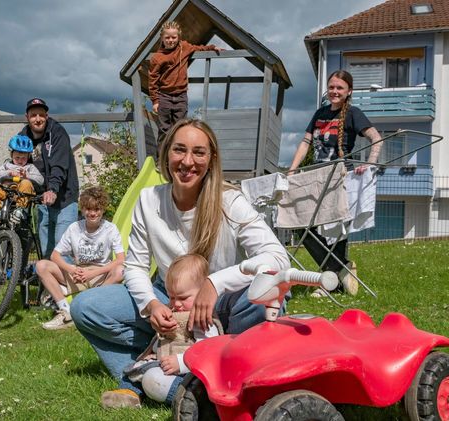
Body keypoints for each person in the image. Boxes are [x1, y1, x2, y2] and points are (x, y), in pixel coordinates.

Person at [71, 118, 289, 408]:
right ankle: (151, 376)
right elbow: (135, 267)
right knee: (85, 307)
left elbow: (277, 258)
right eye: (179, 150)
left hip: (224, 303)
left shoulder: (230, 201)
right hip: (170, 298)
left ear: (211, 160)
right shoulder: (149, 199)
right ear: (166, 154)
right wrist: (152, 305)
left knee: (265, 299)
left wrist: (215, 283)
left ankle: (226, 372)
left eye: (198, 152)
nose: (187, 161)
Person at [288, 70, 382, 297]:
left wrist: (369, 164)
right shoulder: (319, 113)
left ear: (349, 91)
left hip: (340, 179)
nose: (335, 91)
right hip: (315, 178)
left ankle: (329, 282)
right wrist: (292, 170)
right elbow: (305, 143)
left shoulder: (353, 113)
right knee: (301, 225)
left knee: (336, 231)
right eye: (331, 87)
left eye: (340, 88)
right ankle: (342, 269)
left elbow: (376, 138)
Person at [124, 254, 220, 404]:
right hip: (166, 361)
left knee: (152, 378)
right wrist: (154, 351)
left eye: (183, 298)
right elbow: (164, 339)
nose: (176, 304)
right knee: (137, 367)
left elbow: (208, 350)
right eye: (172, 297)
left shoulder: (202, 318)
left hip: (190, 371)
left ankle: (191, 398)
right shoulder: (174, 311)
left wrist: (181, 363)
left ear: (203, 293)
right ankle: (127, 393)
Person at [38, 186, 125, 330]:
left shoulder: (110, 229)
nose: (92, 213)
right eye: (88, 209)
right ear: (83, 209)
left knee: (121, 270)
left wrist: (93, 273)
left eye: (97, 209)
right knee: (42, 265)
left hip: (100, 276)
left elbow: (121, 259)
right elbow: (55, 255)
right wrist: (71, 269)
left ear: (103, 209)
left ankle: (93, 305)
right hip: (78, 273)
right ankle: (66, 311)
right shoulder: (74, 228)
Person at [19, 98, 79, 258]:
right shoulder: (23, 136)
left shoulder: (57, 133)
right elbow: (17, 161)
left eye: (41, 115)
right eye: (33, 115)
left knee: (62, 252)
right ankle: (46, 276)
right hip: (42, 202)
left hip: (64, 200)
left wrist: (52, 189)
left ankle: (66, 275)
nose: (37, 119)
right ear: (27, 117)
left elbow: (59, 166)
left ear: (46, 116)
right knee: (46, 252)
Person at [149, 21, 222, 140]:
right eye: (167, 37)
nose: (171, 40)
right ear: (162, 38)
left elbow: (199, 48)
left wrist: (212, 47)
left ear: (178, 37)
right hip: (164, 97)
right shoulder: (157, 58)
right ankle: (162, 152)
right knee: (164, 130)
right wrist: (155, 101)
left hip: (181, 97)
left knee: (181, 128)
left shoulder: (184, 47)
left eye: (174, 37)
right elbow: (153, 80)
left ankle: (179, 150)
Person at [0, 134, 44, 212]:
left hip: (22, 193)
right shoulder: (6, 165)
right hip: (6, 191)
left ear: (28, 156)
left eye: (24, 158)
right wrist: (9, 173)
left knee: (26, 183)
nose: (20, 160)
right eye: (17, 157)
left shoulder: (30, 167)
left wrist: (27, 176)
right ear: (11, 155)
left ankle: (19, 210)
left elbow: (41, 180)